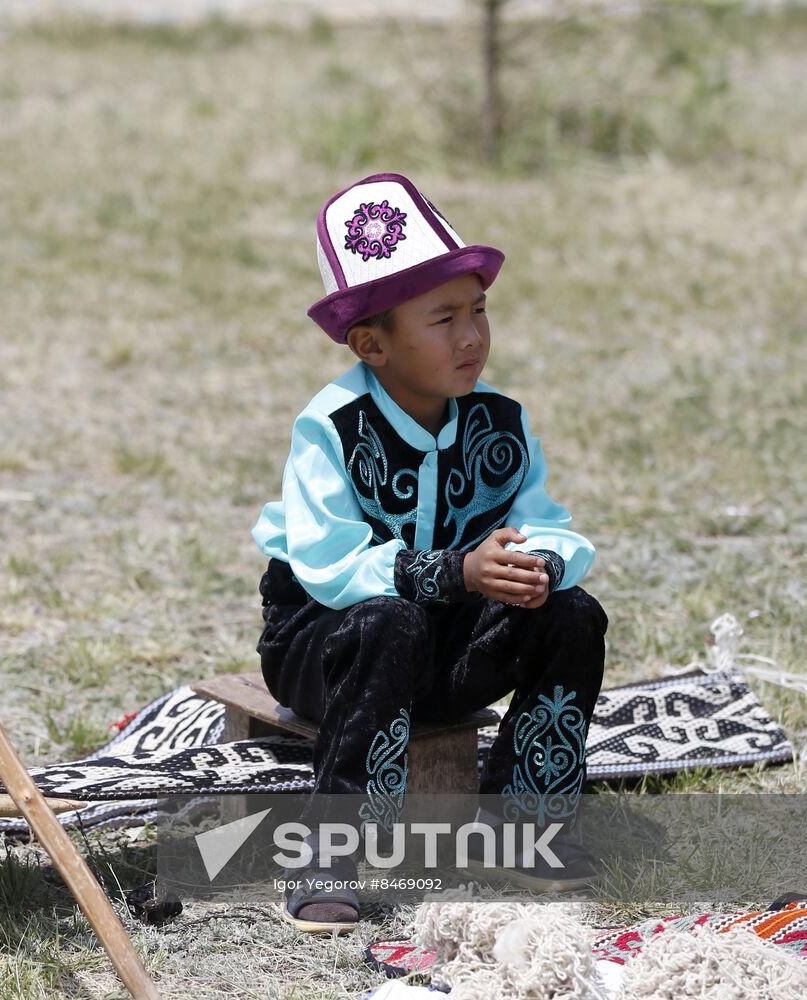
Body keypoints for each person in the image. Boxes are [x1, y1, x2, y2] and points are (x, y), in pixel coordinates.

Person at [250, 172, 609, 932]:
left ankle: (521, 824)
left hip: (441, 659)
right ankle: (330, 850)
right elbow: (331, 565)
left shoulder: (499, 424)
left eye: (478, 311)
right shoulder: (331, 427)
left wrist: (537, 566)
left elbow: (548, 522)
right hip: (327, 648)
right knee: (390, 621)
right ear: (371, 343)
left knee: (571, 612)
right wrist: (456, 570)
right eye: (442, 318)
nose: (472, 336)